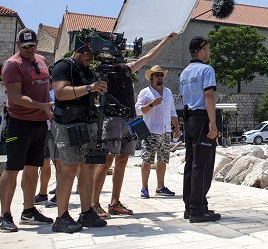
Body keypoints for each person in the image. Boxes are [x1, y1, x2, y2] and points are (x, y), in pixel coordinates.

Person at [91, 33, 177, 218]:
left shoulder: (127, 69)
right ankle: (94, 203)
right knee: (106, 161)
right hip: (112, 118)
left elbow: (148, 56)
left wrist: (166, 39)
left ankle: (114, 202)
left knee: (122, 161)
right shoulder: (103, 71)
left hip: (129, 120)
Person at [0, 28, 54, 232]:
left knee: (32, 169)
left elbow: (46, 88)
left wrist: (48, 107)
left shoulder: (40, 60)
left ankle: (28, 210)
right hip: (19, 122)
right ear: (18, 46)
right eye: (25, 46)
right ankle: (4, 215)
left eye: (33, 46)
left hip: (40, 123)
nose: (30, 50)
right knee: (12, 169)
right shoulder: (12, 65)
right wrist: (42, 106)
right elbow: (16, 97)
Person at [50, 44, 108, 233]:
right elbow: (60, 92)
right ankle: (61, 217)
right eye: (88, 53)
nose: (90, 57)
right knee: (69, 169)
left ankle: (86, 212)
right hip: (68, 124)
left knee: (88, 168)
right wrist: (90, 87)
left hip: (86, 123)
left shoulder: (87, 70)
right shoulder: (63, 66)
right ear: (79, 50)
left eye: (92, 53)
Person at [179, 36, 221, 223]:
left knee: (191, 163)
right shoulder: (206, 69)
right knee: (203, 164)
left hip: (189, 120)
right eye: (208, 49)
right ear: (201, 50)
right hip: (203, 118)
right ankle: (197, 209)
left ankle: (192, 205)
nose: (209, 52)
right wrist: (213, 123)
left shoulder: (184, 73)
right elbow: (209, 95)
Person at [136, 65, 180, 199]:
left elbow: (172, 111)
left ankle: (160, 187)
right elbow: (137, 110)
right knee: (147, 160)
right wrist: (151, 105)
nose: (160, 77)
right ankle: (144, 188)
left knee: (162, 160)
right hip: (150, 132)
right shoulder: (145, 92)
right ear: (151, 78)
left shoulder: (167, 92)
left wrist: (176, 127)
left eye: (161, 75)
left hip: (166, 131)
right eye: (157, 75)